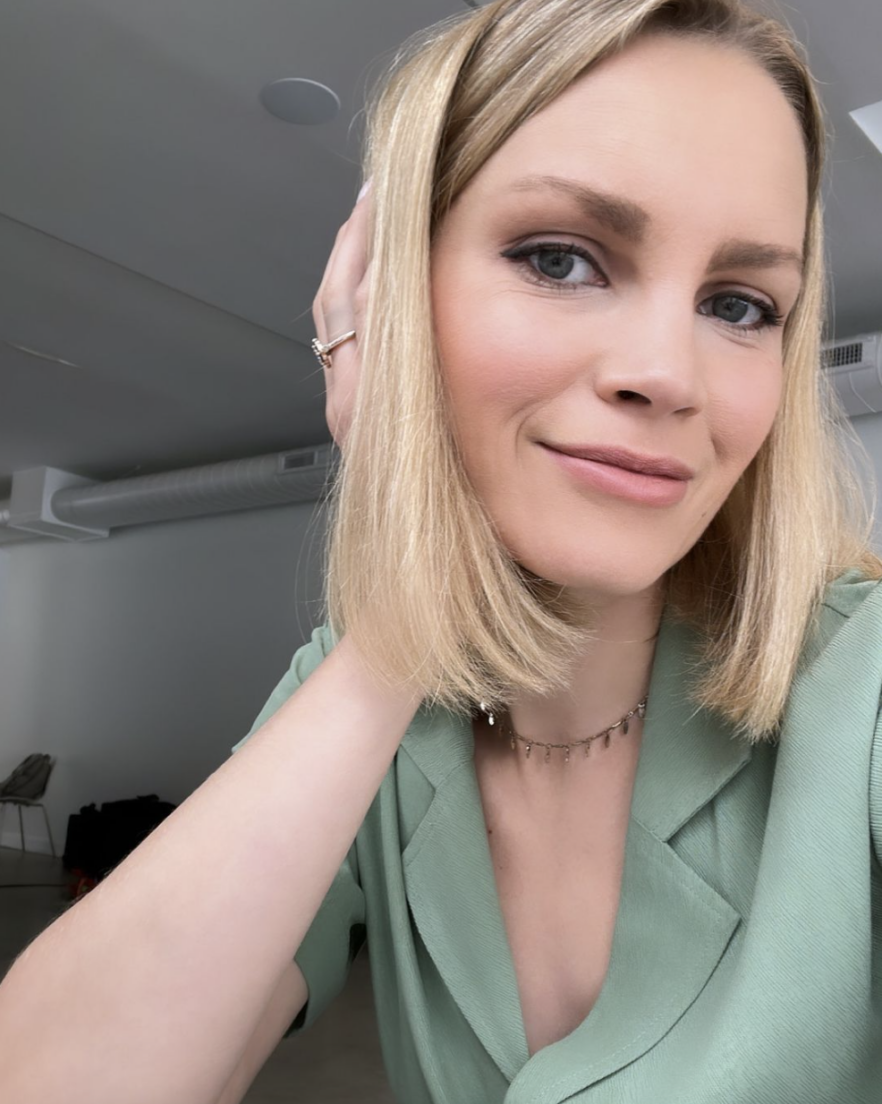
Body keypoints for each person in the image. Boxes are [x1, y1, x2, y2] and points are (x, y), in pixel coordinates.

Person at [0, 0, 880, 1101]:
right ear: (396, 302)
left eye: (742, 305)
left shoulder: (867, 690)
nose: (670, 372)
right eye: (560, 258)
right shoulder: (362, 696)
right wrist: (400, 604)